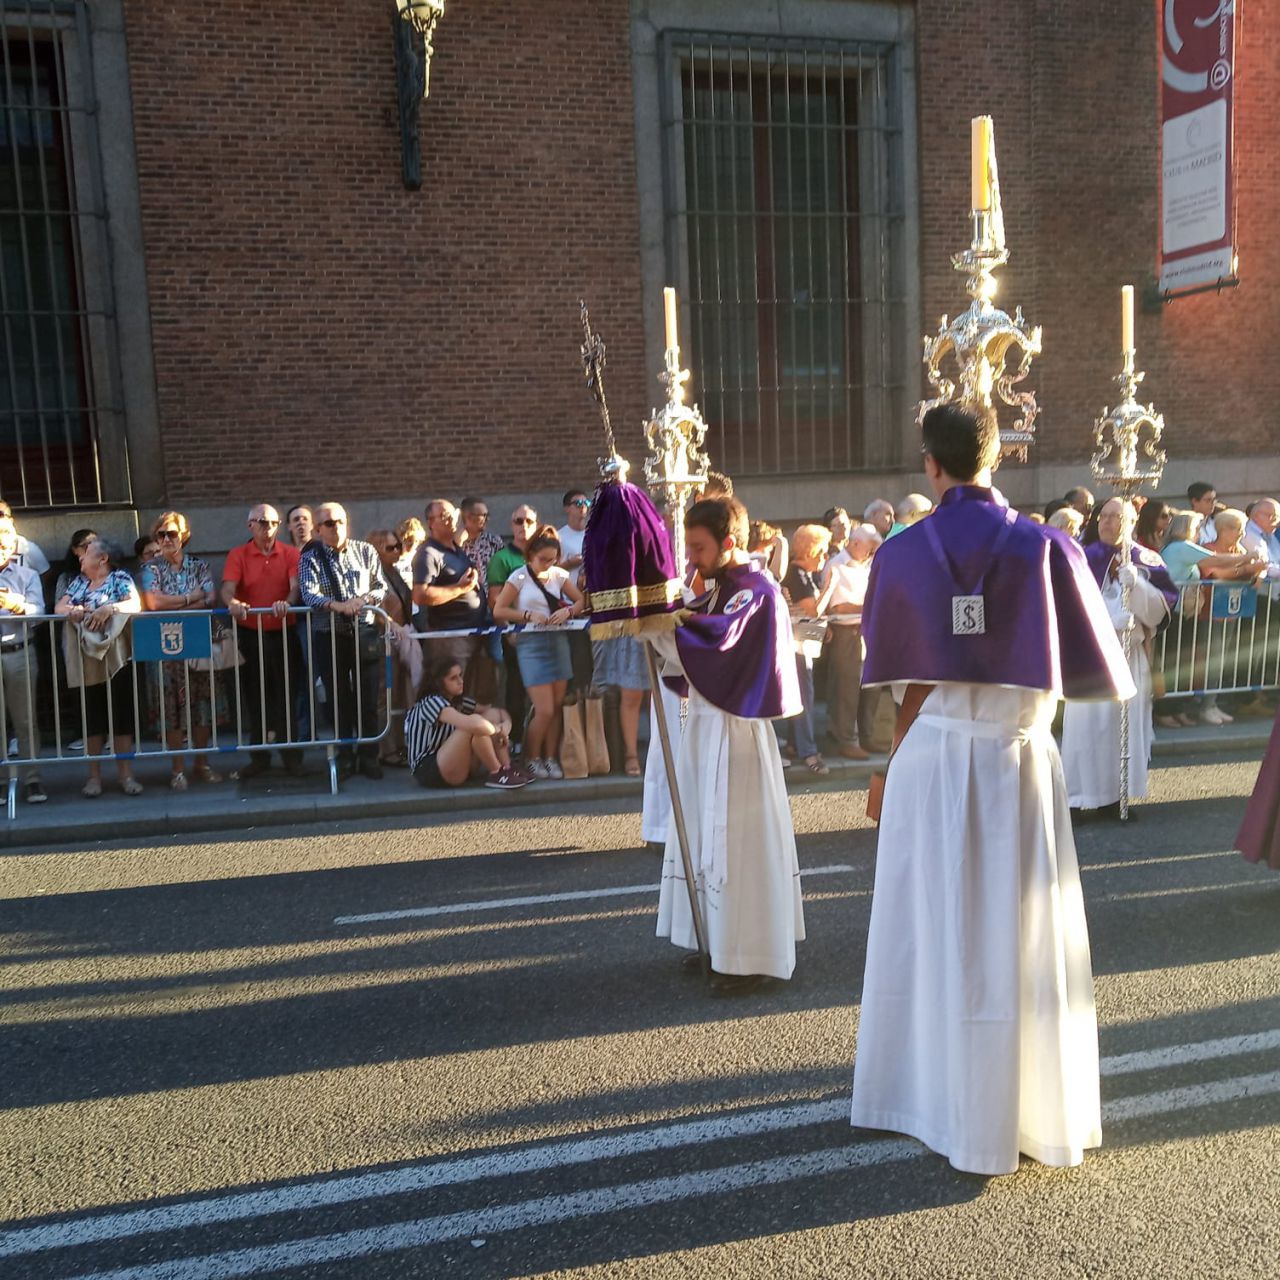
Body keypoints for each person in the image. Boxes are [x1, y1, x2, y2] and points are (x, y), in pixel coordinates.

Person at [850, 403, 1133, 1177]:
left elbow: (907, 684)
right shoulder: (1050, 548)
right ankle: (1024, 1106)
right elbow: (1090, 672)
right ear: (996, 458)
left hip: (933, 758)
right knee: (1020, 931)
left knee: (930, 928)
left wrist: (885, 767)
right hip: (1016, 762)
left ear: (929, 464)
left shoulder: (901, 554)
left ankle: (928, 1098)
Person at [648, 495, 804, 996]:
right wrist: (655, 622)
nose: (691, 558)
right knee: (706, 836)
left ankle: (751, 956)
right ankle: (715, 939)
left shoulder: (755, 591)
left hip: (737, 733)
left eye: (698, 547)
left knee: (739, 845)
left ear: (729, 543)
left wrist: (661, 623)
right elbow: (690, 628)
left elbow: (717, 641)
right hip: (709, 728)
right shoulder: (718, 587)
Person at [1061, 497, 1178, 818]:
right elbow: (1066, 607)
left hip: (1128, 656)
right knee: (1085, 729)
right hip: (1089, 657)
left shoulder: (1145, 559)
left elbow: (1159, 612)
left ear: (1130, 522)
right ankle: (1077, 797)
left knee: (1121, 728)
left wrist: (1137, 585)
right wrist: (1105, 622)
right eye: (1103, 516)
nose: (1107, 522)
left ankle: (1115, 797)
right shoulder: (1081, 559)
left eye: (1115, 516)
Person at [299, 501, 388, 780]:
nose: (335, 527)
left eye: (339, 521)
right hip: (331, 635)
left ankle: (369, 756)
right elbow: (308, 595)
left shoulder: (366, 550)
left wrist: (361, 601)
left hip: (365, 633)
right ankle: (345, 755)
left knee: (369, 697)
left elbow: (380, 586)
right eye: (328, 523)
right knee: (339, 699)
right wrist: (339, 606)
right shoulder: (310, 558)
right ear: (317, 529)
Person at [492, 525, 586, 780]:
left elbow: (581, 601)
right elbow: (498, 610)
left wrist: (567, 611)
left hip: (557, 641)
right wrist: (527, 615)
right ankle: (531, 757)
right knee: (543, 709)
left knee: (555, 707)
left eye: (552, 559)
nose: (548, 563)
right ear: (530, 554)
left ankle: (550, 757)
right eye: (543, 559)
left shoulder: (558, 574)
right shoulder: (518, 577)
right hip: (531, 644)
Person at [140, 511, 226, 790]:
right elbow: (153, 603)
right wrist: (191, 598)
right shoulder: (151, 569)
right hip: (163, 645)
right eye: (161, 535)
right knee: (170, 709)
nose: (166, 539)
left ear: (184, 536)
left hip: (198, 640)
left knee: (203, 705)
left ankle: (202, 763)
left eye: (172, 534)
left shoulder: (199, 566)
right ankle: (177, 768)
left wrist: (176, 605)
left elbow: (211, 598)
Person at [54, 537, 144, 797]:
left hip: (118, 657)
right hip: (86, 657)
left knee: (121, 714)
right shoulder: (79, 582)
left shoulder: (120, 578)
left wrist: (109, 608)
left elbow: (135, 604)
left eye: (87, 552)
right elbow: (60, 606)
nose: (81, 556)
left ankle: (126, 775)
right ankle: (94, 778)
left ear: (102, 559)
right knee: (92, 716)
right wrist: (72, 610)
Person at [221, 504, 303, 778]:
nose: (267, 528)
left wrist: (287, 603)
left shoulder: (290, 553)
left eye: (272, 523)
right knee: (255, 697)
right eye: (261, 523)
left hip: (282, 633)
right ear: (250, 526)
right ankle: (260, 758)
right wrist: (232, 602)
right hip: (249, 633)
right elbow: (228, 589)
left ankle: (292, 757)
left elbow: (294, 588)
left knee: (286, 695)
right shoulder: (238, 554)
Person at [413, 498, 494, 702]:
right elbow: (420, 595)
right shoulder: (428, 553)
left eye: (452, 515)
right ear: (431, 522)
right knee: (449, 695)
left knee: (470, 694)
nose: (451, 520)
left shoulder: (456, 550)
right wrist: (460, 588)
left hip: (473, 632)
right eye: (444, 516)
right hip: (449, 638)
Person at [405, 658, 526, 790]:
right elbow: (472, 725)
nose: (460, 681)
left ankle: (507, 768)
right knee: (472, 725)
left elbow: (497, 712)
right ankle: (497, 773)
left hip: (455, 762)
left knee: (489, 717)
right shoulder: (431, 702)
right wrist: (497, 730)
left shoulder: (458, 701)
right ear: (438, 683)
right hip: (430, 769)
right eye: (453, 678)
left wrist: (506, 726)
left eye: (460, 675)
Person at [0, 518, 47, 802]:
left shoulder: (27, 575)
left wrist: (16, 606)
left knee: (25, 720)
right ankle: (2, 781)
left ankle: (32, 779)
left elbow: (40, 614)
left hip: (19, 651)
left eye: (4, 544)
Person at [365, 526, 420, 766]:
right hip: (383, 640)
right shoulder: (371, 575)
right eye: (390, 547)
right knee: (385, 695)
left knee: (401, 694)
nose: (397, 551)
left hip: (402, 639)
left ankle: (401, 746)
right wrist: (390, 625)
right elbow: (372, 608)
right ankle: (385, 750)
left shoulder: (395, 572)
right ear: (377, 550)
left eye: (398, 545)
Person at [822, 522, 878, 759]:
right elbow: (837, 606)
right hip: (845, 631)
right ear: (855, 543)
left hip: (866, 630)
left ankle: (867, 736)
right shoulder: (836, 566)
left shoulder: (866, 566)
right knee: (846, 689)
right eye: (869, 548)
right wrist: (872, 604)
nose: (871, 553)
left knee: (868, 686)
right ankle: (846, 739)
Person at [781, 523, 832, 775]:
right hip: (796, 644)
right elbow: (812, 609)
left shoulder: (801, 574)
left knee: (801, 694)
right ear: (811, 551)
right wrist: (830, 588)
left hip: (802, 641)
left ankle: (794, 744)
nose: (824, 557)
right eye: (822, 552)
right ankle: (808, 751)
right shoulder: (797, 574)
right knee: (804, 696)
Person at [487, 504, 538, 755]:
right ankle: (516, 738)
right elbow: (495, 600)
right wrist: (507, 630)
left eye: (528, 521)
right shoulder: (501, 559)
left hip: (544, 634)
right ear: (511, 525)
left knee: (544, 690)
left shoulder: (544, 554)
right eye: (519, 521)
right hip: (516, 634)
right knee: (516, 687)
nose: (523, 526)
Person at [557, 488, 594, 693]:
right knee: (579, 660)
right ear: (567, 508)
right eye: (577, 504)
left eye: (586, 503)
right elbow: (548, 572)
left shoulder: (594, 533)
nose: (583, 508)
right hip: (572, 606)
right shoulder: (560, 537)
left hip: (595, 604)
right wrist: (569, 563)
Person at [458, 497, 505, 584]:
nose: (487, 519)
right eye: (483, 515)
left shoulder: (494, 542)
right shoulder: (456, 544)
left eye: (487, 515)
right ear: (468, 517)